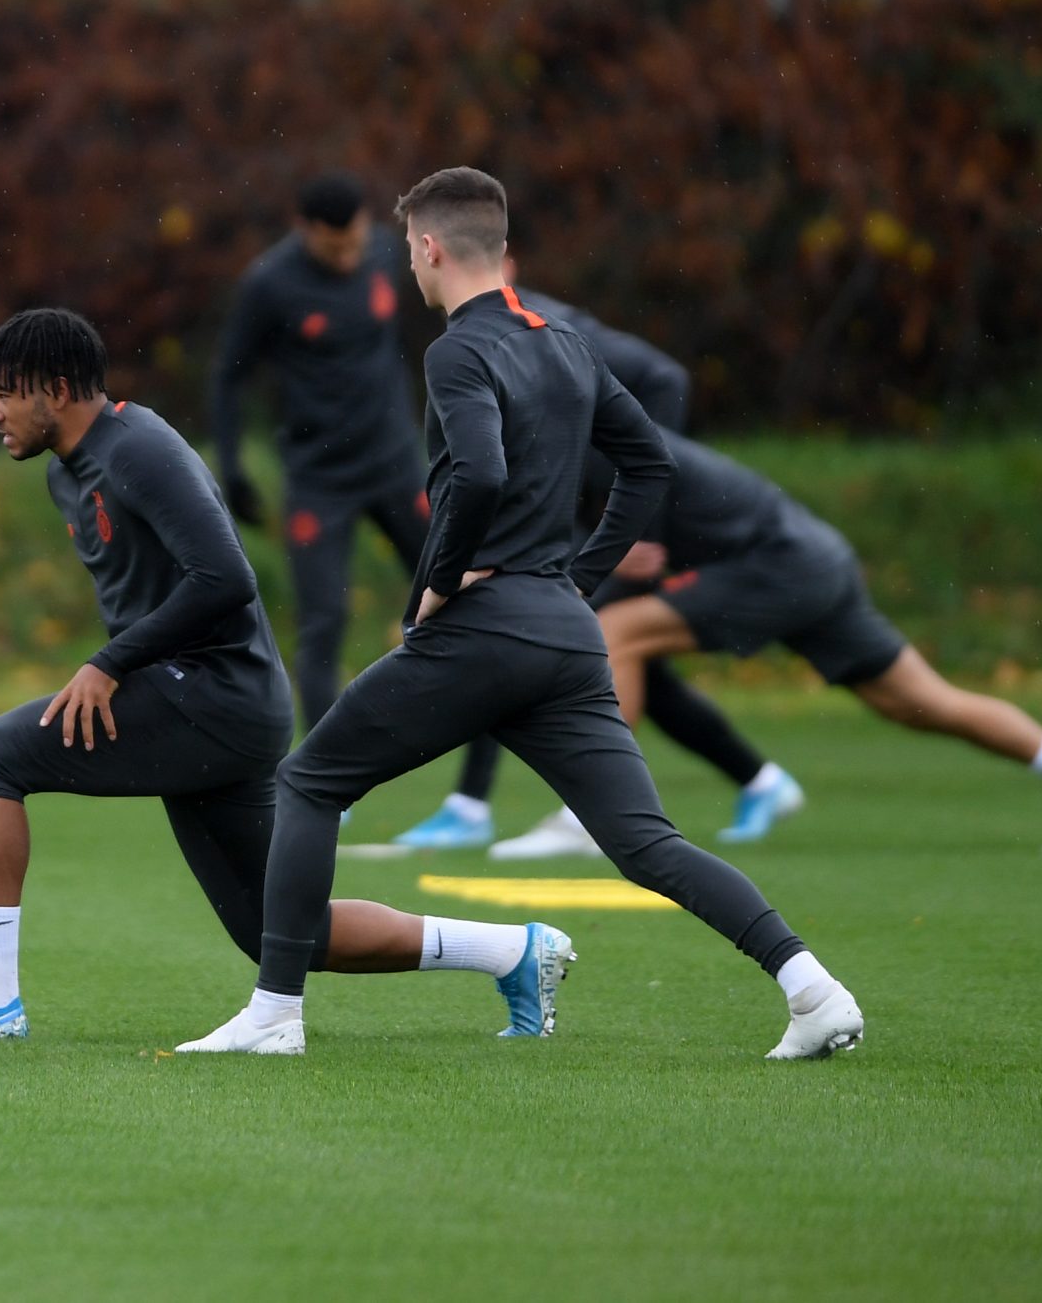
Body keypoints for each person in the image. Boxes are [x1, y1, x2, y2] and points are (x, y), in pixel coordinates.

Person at [181, 168, 863, 1062]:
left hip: (489, 624)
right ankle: (813, 987)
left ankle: (274, 1014)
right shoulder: (568, 344)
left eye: (414, 255)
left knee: (309, 782)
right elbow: (649, 465)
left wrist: (437, 578)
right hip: (563, 631)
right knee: (647, 843)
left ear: (427, 248)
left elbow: (483, 471)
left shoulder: (456, 351)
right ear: (499, 245)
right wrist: (578, 575)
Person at [0, 309, 577, 1047]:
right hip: (215, 705)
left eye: (4, 393)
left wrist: (110, 662)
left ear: (55, 390)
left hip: (211, 697)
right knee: (282, 933)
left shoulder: (137, 450)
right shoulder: (73, 471)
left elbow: (225, 578)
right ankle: (513, 951)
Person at [586, 428, 1042, 856]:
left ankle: (598, 816)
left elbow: (633, 542)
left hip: (778, 564)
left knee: (620, 633)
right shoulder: (586, 427)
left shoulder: (593, 436)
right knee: (919, 702)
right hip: (812, 559)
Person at [395, 281, 798, 855]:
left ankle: (511, 810)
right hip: (574, 514)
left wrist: (636, 533)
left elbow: (661, 403)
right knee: (616, 662)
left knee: (510, 628)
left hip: (602, 523)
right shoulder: (475, 335)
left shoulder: (547, 328)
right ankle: (757, 779)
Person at [212, 174, 428, 727]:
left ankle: (474, 761)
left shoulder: (387, 248)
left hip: (396, 465)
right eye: (335, 247)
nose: (349, 255)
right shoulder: (269, 284)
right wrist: (231, 467)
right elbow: (229, 378)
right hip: (320, 478)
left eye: (355, 241)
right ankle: (327, 784)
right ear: (304, 229)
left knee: (452, 592)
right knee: (323, 620)